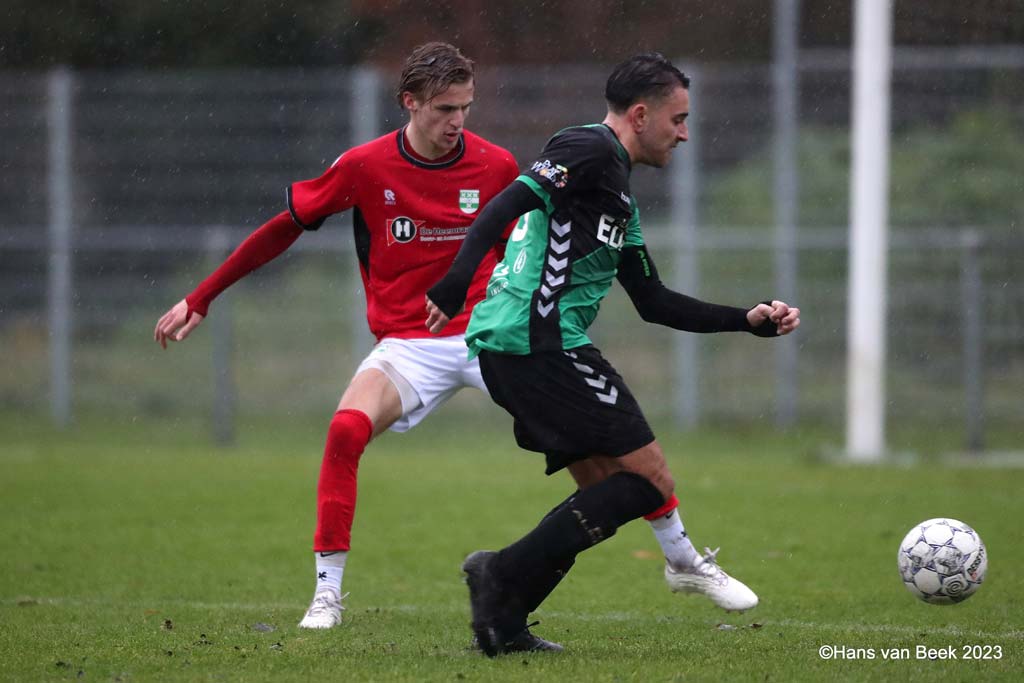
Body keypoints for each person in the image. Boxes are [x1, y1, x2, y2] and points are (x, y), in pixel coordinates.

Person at [425, 53, 801, 656]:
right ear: (641, 114)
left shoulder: (617, 198)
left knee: (606, 487)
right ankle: (500, 572)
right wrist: (455, 278)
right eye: (677, 119)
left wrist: (747, 322)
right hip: (538, 341)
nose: (684, 132)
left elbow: (653, 301)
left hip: (528, 346)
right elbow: (504, 205)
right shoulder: (589, 148)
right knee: (649, 481)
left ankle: (503, 624)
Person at [153, 42, 523, 632]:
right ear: (410, 102)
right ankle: (327, 595)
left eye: (466, 108)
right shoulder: (364, 166)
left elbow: (522, 251)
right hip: (408, 342)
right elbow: (282, 230)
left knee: (586, 432)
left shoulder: (497, 165)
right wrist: (202, 296)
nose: (457, 121)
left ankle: (679, 550)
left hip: (488, 332)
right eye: (444, 108)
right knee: (345, 430)